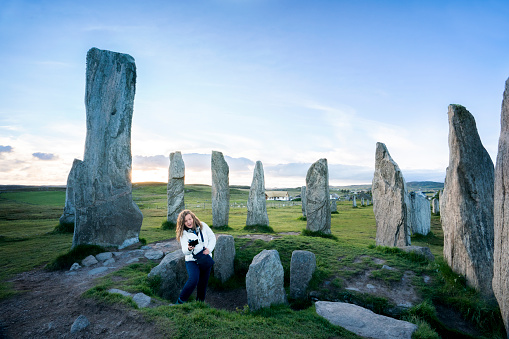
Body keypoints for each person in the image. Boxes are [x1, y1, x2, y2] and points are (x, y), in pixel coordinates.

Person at [175, 209, 216, 304]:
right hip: (191, 260)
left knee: (203, 284)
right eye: (185, 221)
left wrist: (209, 249)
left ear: (193, 217)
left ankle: (199, 304)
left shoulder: (203, 226)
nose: (189, 222)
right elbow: (184, 250)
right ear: (182, 223)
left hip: (205, 258)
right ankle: (180, 302)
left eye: (190, 219)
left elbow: (212, 238)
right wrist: (189, 249)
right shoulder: (183, 234)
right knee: (193, 279)